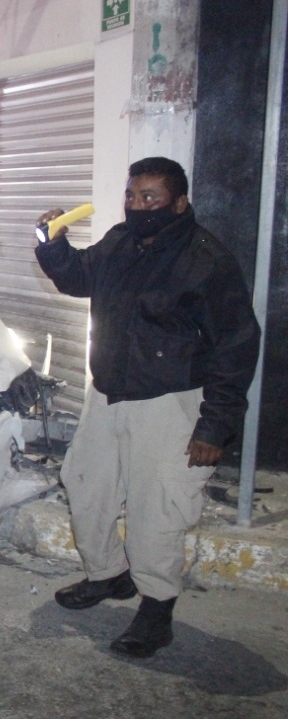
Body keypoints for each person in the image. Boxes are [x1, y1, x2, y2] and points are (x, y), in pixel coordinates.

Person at [34, 156, 261, 658]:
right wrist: (54, 247)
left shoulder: (206, 259)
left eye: (150, 199)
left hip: (171, 401)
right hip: (108, 393)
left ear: (179, 203)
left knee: (156, 509)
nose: (138, 206)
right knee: (86, 484)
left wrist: (214, 426)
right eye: (132, 197)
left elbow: (236, 345)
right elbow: (80, 279)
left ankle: (156, 609)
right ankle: (109, 576)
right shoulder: (120, 241)